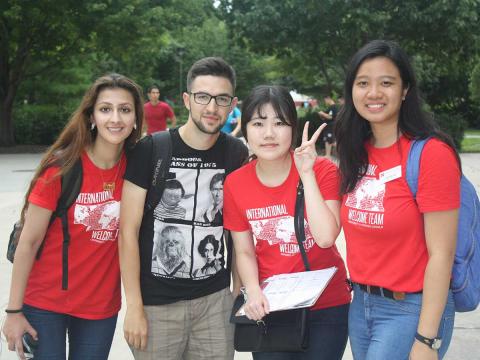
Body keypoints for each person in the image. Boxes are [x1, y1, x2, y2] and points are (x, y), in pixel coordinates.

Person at [2, 73, 144, 359]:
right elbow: (28, 243)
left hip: (100, 308)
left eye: (124, 109)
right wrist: (14, 311)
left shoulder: (137, 170)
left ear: (135, 119)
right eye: (105, 109)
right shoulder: (61, 169)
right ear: (91, 116)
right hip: (45, 304)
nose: (115, 118)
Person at [335, 39, 460, 360]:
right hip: (361, 305)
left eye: (386, 83)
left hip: (411, 308)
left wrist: (426, 339)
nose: (373, 93)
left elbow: (442, 255)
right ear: (352, 90)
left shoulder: (431, 155)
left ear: (405, 90)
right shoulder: (355, 152)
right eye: (363, 83)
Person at [119, 57, 248, 359]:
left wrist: (237, 293)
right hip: (157, 306)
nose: (212, 108)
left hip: (215, 303)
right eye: (203, 97)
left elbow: (241, 229)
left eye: (222, 99)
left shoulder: (236, 153)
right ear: (187, 99)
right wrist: (134, 307)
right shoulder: (151, 149)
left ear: (233, 104)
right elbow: (128, 232)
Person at [223, 85, 351, 360]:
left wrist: (306, 175)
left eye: (279, 123)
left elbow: (326, 237)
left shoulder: (322, 170)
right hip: (271, 306)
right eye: (258, 123)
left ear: (293, 128)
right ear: (245, 129)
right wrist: (253, 292)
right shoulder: (235, 183)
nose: (269, 134)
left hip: (327, 306)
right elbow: (243, 250)